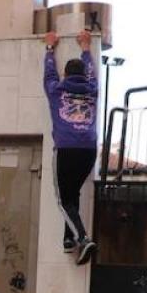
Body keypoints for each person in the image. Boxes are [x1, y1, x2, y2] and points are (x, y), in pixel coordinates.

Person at [44, 30, 98, 266]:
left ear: (65, 74)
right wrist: (86, 47)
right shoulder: (93, 90)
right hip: (88, 150)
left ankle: (83, 238)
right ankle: (69, 239)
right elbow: (93, 72)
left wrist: (49, 49)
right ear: (84, 75)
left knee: (62, 199)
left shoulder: (56, 90)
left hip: (66, 149)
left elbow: (48, 74)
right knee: (72, 193)